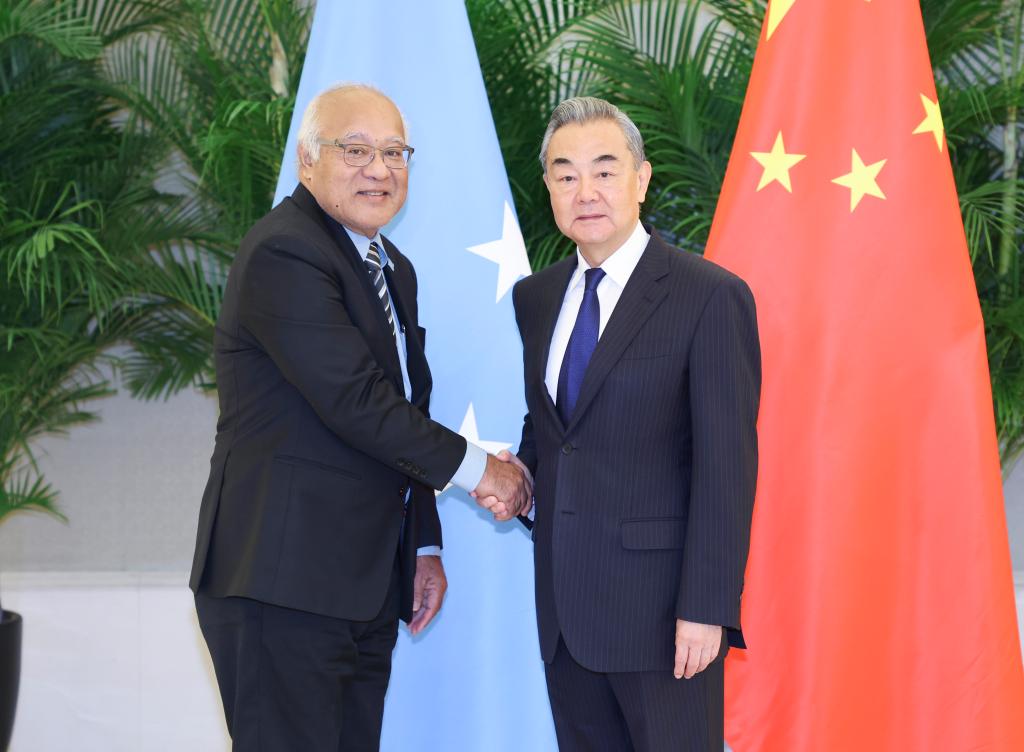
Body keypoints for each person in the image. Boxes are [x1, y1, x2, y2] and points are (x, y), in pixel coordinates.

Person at [188, 83, 530, 751]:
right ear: (307, 159)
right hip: (282, 583)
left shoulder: (391, 267)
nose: (380, 169)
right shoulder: (285, 252)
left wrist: (421, 546)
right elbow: (356, 402)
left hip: (360, 584)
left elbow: (402, 413)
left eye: (395, 152)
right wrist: (484, 472)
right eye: (356, 150)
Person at [501, 96, 760, 751]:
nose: (585, 191)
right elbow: (557, 431)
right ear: (549, 188)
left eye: (605, 170)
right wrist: (519, 476)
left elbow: (726, 467)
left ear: (641, 179)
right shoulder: (535, 298)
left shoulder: (709, 296)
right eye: (565, 174)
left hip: (665, 621)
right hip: (565, 615)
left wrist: (706, 608)